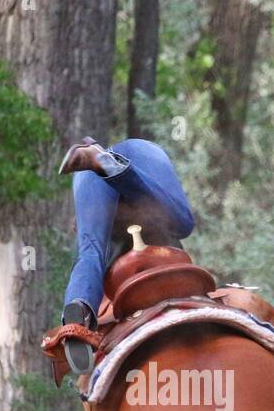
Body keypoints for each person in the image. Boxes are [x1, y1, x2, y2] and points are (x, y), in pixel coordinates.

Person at [57, 137, 195, 374]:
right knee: (182, 223)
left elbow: (94, 248)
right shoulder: (153, 233)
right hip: (145, 152)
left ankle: (78, 313)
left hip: (87, 175)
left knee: (91, 252)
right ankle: (110, 164)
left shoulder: (110, 231)